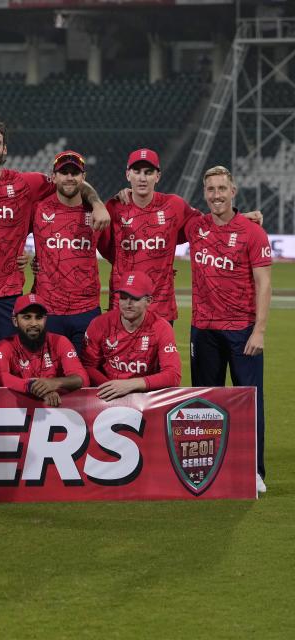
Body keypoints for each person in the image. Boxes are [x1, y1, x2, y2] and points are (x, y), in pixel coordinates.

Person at [0, 118, 110, 355]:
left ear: (4, 149)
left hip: (9, 297)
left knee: (7, 369)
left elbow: (71, 182)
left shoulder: (26, 183)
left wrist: (97, 203)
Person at [185, 166, 272, 492]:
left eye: (222, 188)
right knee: (205, 403)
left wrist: (259, 330)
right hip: (203, 330)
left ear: (233, 191)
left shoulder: (252, 233)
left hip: (242, 330)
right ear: (205, 193)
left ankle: (255, 471)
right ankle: (208, 468)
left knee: (250, 401)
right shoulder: (195, 226)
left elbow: (263, 283)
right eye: (211, 189)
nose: (217, 195)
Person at [103, 148, 262, 322]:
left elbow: (207, 226)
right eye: (137, 171)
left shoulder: (174, 206)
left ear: (158, 176)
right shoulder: (113, 208)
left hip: (160, 311)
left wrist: (238, 219)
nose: (142, 178)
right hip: (122, 310)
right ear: (128, 175)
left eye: (148, 172)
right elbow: (106, 248)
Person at [30, 151, 103, 352]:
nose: (70, 177)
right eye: (64, 172)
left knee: (86, 377)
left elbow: (117, 253)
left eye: (75, 173)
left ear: (84, 178)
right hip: (48, 311)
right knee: (49, 378)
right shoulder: (38, 210)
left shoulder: (96, 215)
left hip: (86, 311)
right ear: (54, 177)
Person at [81, 271, 181, 401]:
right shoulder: (100, 324)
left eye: (135, 298)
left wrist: (129, 386)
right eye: (123, 297)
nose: (128, 303)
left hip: (146, 398)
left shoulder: (161, 327)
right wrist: (111, 388)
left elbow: (173, 375)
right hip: (108, 397)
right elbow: (87, 366)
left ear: (149, 301)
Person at [0, 294, 88, 406]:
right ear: (15, 321)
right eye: (27, 317)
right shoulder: (5, 345)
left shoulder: (60, 341)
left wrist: (55, 383)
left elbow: (82, 379)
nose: (34, 323)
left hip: (56, 410)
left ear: (45, 319)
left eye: (39, 317)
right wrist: (31, 386)